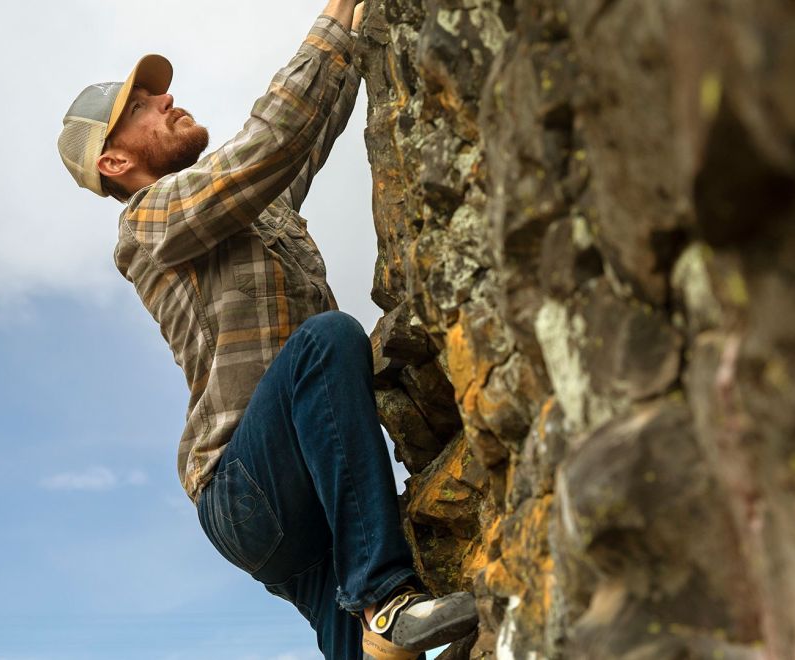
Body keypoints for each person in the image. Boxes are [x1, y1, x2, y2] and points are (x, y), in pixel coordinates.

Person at [56, 1, 479, 658]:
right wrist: (334, 20)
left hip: (304, 485)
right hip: (244, 488)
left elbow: (303, 135)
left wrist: (365, 28)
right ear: (113, 163)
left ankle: (378, 617)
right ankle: (387, 595)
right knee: (327, 343)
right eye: (140, 105)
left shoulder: (249, 208)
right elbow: (269, 143)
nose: (166, 98)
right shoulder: (145, 224)